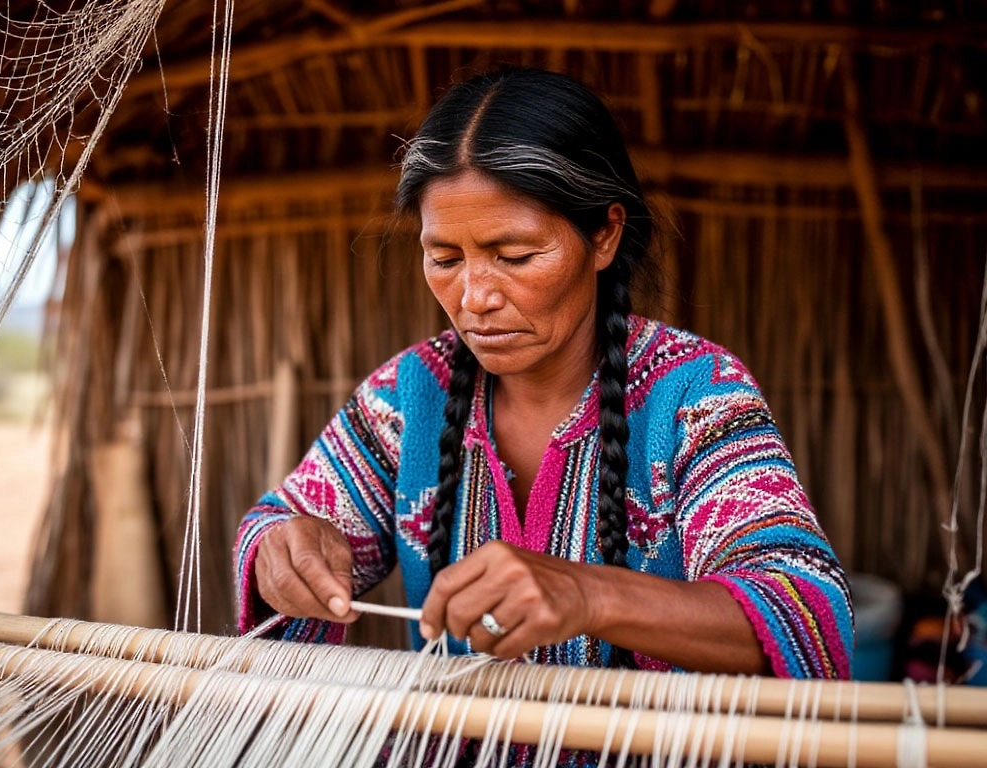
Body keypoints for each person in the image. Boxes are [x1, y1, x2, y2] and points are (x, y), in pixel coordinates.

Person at [234, 68, 852, 680]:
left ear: (604, 235)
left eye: (516, 256)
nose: (474, 297)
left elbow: (806, 612)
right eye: (444, 258)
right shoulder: (410, 395)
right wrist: (281, 550)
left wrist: (590, 595)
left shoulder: (694, 394)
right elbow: (274, 529)